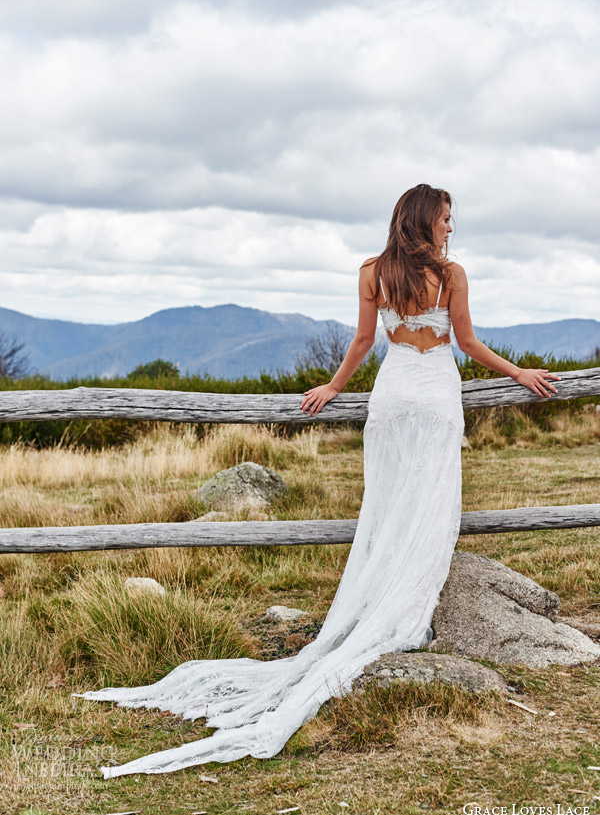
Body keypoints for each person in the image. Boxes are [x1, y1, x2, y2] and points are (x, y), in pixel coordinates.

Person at [73, 184, 561, 779]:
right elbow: (467, 343)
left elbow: (362, 341)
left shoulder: (372, 272)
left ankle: (382, 595)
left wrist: (333, 387)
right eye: (446, 220)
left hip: (391, 396)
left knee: (387, 504)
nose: (451, 230)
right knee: (429, 502)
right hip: (433, 394)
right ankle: (404, 606)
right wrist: (520, 372)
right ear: (425, 223)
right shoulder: (452, 274)